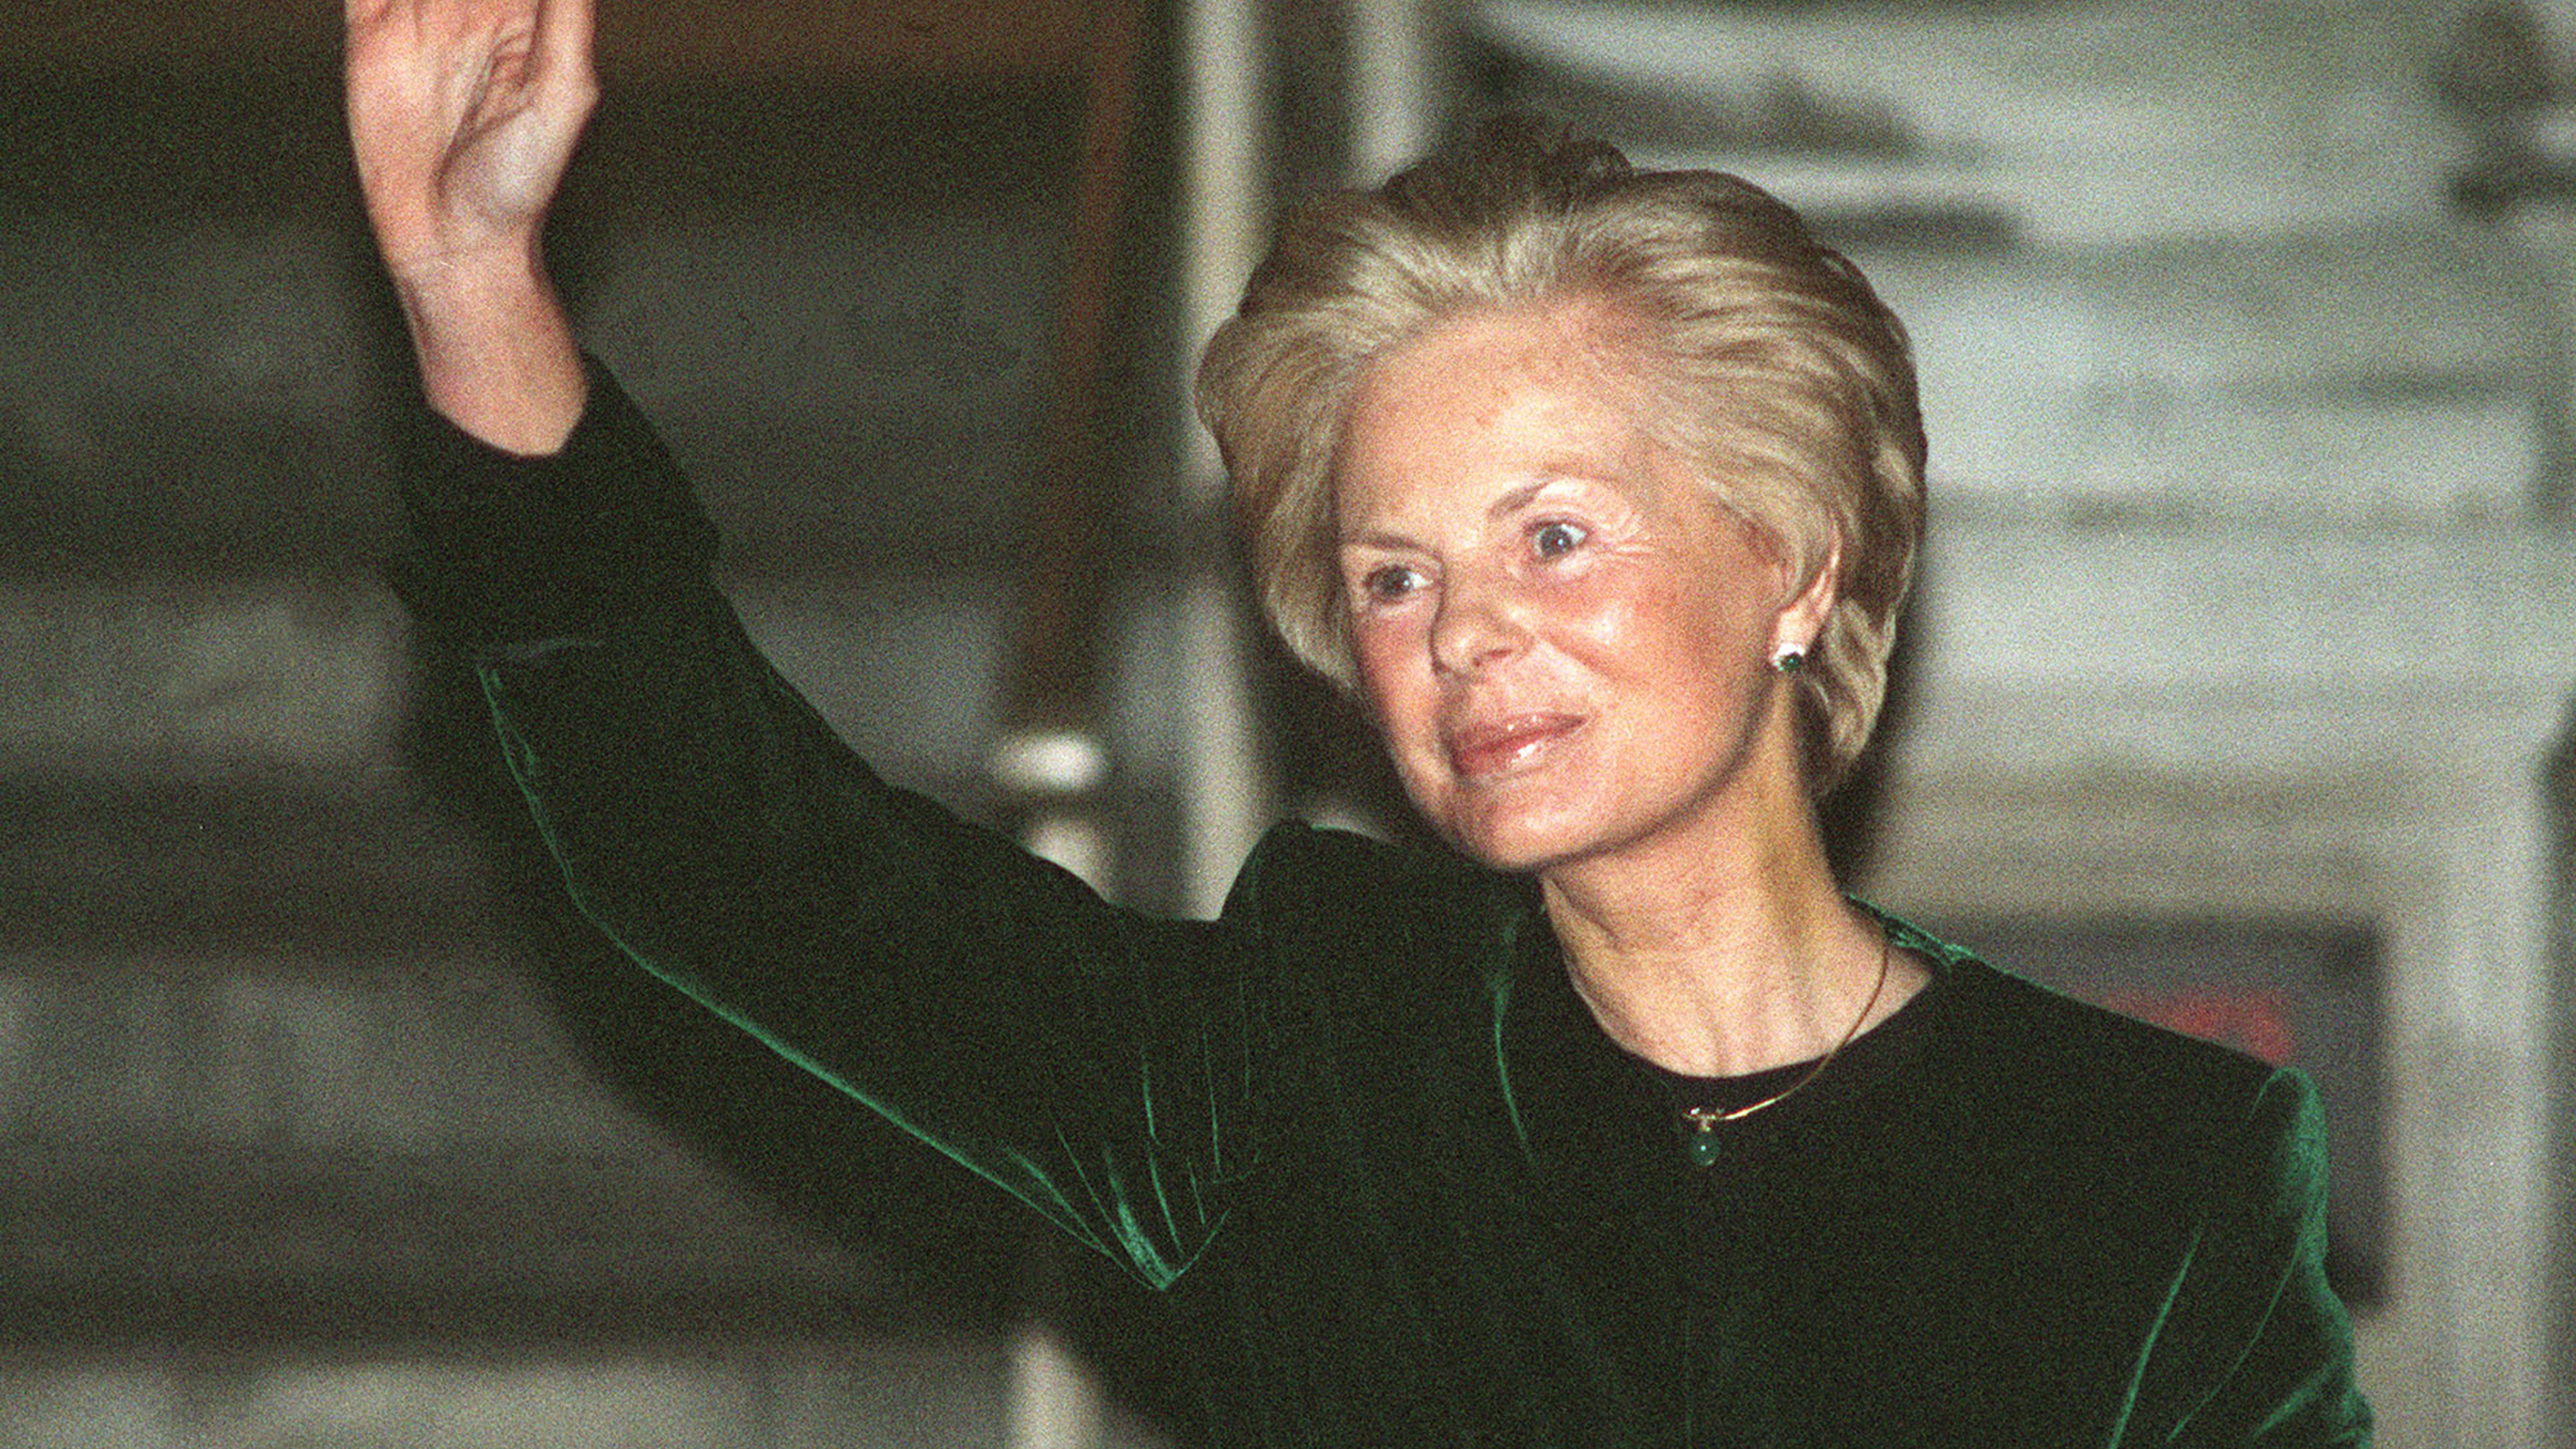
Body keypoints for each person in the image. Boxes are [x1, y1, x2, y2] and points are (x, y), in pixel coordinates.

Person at [345, 0, 2375, 1441]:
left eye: (1554, 536)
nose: (1465, 633)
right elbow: (737, 863)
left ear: (1798, 563)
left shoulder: (2146, 1170)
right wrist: (470, 280)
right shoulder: (1313, 1060)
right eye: (1395, 575)